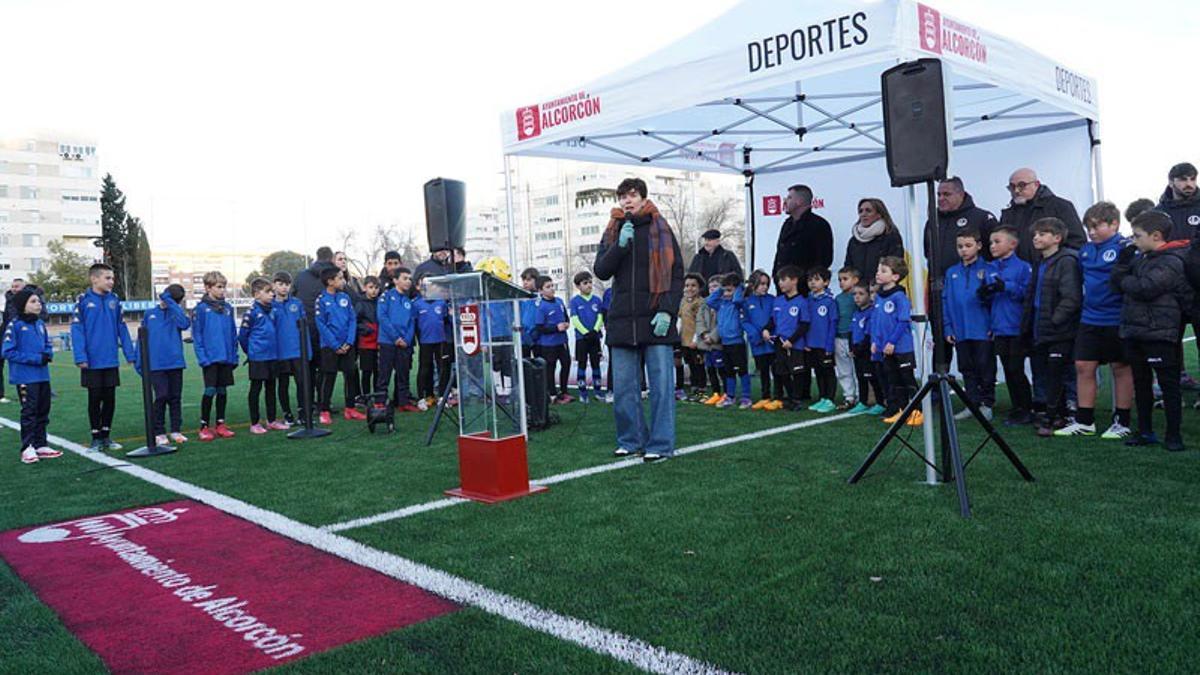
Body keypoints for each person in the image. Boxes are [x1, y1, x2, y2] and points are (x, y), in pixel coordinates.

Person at [593, 177, 685, 462]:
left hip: (656, 318)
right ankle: (631, 440)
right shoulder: (613, 231)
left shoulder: (662, 229)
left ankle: (660, 444)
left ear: (644, 197)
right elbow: (601, 271)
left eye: (632, 195)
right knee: (624, 388)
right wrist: (619, 246)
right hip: (622, 321)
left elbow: (677, 274)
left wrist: (667, 311)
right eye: (622, 196)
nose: (627, 201)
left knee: (660, 388)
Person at [1112, 211, 1193, 451]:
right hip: (1135, 331)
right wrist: (1123, 268)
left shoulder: (1172, 260)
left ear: (1156, 236)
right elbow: (1118, 285)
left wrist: (1122, 277)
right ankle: (1145, 431)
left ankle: (1173, 435)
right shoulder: (1141, 258)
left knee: (1169, 385)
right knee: (1141, 383)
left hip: (1159, 332)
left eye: (1137, 236)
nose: (1133, 241)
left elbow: (1145, 288)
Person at [1055, 203, 1134, 439]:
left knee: (1120, 367)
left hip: (1117, 317)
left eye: (1096, 226)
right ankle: (1085, 421)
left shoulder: (1125, 248)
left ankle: (1122, 421)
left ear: (1114, 224)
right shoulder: (1086, 251)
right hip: (1090, 318)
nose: (1091, 232)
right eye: (1088, 227)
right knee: (1083, 366)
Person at [1023, 218, 1082, 437]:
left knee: (1061, 372)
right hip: (1041, 326)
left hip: (1059, 328)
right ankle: (1054, 413)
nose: (1036, 238)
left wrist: (1056, 320)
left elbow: (1071, 297)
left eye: (1042, 234)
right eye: (1035, 234)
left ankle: (1066, 414)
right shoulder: (1040, 262)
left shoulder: (1067, 260)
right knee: (1048, 372)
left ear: (1057, 238)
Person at [71, 263, 136, 451]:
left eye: (113, 278)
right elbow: (77, 330)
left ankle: (107, 435)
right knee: (94, 397)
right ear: (94, 279)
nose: (111, 282)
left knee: (109, 398)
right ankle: (96, 437)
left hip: (110, 359)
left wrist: (129, 354)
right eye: (107, 278)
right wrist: (80, 356)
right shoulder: (83, 300)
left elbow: (121, 327)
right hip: (91, 360)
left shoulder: (114, 300)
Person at [979, 226, 1034, 425]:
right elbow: (990, 299)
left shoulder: (1023, 267)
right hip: (999, 326)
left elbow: (1027, 294)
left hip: (1016, 326)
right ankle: (1017, 406)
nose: (992, 246)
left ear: (1012, 244)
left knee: (1016, 368)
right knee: (1008, 370)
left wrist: (1007, 287)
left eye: (997, 242)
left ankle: (1027, 408)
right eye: (991, 242)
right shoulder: (990, 268)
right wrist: (985, 294)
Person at [941, 228, 996, 420]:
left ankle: (987, 403)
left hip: (982, 329)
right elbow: (946, 300)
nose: (963, 250)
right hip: (960, 329)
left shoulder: (989, 269)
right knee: (966, 367)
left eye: (968, 245)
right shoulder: (951, 272)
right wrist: (948, 326)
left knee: (985, 366)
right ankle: (971, 404)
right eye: (960, 246)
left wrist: (993, 325)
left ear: (979, 246)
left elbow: (995, 301)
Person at [2, 288, 61, 464]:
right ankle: (27, 447)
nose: (38, 304)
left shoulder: (40, 324)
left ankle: (41, 444)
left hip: (43, 376)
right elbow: (7, 351)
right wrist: (36, 359)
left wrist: (48, 353)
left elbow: (47, 344)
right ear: (23, 305)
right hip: (25, 377)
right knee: (29, 412)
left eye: (39, 301)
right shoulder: (15, 325)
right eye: (33, 301)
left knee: (43, 410)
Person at [135, 284, 191, 446]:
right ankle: (159, 431)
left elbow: (184, 324)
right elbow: (142, 338)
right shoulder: (150, 313)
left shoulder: (177, 313)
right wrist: (140, 362)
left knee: (175, 398)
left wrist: (173, 305)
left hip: (175, 362)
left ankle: (175, 430)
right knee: (161, 396)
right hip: (156, 364)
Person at [871, 257, 922, 426]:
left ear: (895, 276)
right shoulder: (879, 297)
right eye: (878, 270)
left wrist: (892, 342)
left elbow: (902, 321)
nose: (878, 273)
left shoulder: (899, 297)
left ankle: (917, 411)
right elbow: (876, 323)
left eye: (883, 271)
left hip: (901, 348)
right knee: (893, 380)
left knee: (907, 378)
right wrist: (875, 342)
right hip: (885, 349)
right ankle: (900, 409)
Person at [999, 168, 1086, 262]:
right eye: (1012, 187)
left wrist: (1059, 263)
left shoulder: (1060, 206)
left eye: (1022, 185)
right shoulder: (1008, 214)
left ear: (1036, 184)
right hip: (1018, 272)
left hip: (1053, 270)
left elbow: (1076, 241)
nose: (1016, 190)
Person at [192, 271, 238, 442]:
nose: (222, 290)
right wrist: (203, 357)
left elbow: (233, 333)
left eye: (224, 287)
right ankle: (204, 426)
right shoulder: (201, 309)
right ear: (208, 288)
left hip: (226, 357)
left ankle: (220, 424)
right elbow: (197, 335)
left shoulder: (228, 308)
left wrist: (234, 355)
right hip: (210, 358)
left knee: (222, 390)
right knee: (210, 390)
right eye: (219, 287)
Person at [924, 176, 999, 282]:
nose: (941, 198)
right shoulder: (933, 221)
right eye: (939, 194)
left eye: (946, 194)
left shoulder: (982, 218)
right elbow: (928, 253)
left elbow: (996, 253)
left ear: (961, 195)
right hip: (938, 286)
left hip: (973, 284)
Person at [316, 266, 364, 423]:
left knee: (350, 375)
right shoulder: (321, 300)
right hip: (330, 347)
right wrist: (335, 345)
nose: (343, 281)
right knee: (329, 377)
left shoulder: (345, 297)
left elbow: (352, 319)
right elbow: (321, 324)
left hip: (347, 345)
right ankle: (324, 410)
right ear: (330, 281)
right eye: (340, 278)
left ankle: (350, 408)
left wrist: (349, 342)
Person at [292, 247, 337, 411]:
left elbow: (293, 297)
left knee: (307, 369)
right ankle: (324, 403)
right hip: (326, 329)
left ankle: (307, 403)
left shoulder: (301, 276)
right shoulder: (332, 277)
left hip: (305, 328)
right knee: (326, 369)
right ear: (330, 258)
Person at [239, 278, 283, 434]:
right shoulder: (251, 312)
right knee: (256, 389)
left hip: (272, 356)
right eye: (268, 291)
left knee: (271, 388)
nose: (272, 294)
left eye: (272, 291)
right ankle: (255, 422)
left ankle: (271, 420)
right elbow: (243, 336)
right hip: (258, 358)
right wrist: (251, 352)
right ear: (257, 294)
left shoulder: (273, 310)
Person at [762, 265, 809, 411]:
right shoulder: (778, 301)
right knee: (781, 371)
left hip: (795, 344)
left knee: (797, 371)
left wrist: (792, 340)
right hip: (780, 343)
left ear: (794, 280)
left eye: (783, 280)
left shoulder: (802, 301)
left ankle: (796, 399)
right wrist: (766, 329)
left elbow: (804, 325)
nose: (780, 283)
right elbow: (773, 320)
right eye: (778, 280)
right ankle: (787, 397)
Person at [772, 184, 833, 293]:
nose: (785, 201)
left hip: (805, 291)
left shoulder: (819, 225)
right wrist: (776, 277)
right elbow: (780, 254)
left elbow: (824, 259)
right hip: (783, 288)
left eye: (790, 197)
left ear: (799, 201)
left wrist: (804, 281)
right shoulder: (787, 224)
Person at [843, 198, 904, 303]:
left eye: (868, 210)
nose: (863, 214)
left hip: (884, 295)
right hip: (859, 296)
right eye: (860, 211)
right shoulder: (854, 241)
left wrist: (878, 286)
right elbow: (848, 268)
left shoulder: (891, 236)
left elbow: (897, 266)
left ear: (879, 214)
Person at [707, 272, 751, 409]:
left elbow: (738, 300)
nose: (726, 293)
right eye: (724, 290)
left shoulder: (738, 304)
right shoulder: (721, 304)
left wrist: (738, 289)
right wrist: (721, 288)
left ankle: (746, 397)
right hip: (724, 343)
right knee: (728, 371)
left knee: (742, 370)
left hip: (737, 343)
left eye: (729, 290)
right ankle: (730, 396)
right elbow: (709, 301)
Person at [377, 266, 418, 412]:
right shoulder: (386, 297)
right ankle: (380, 402)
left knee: (403, 373)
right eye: (405, 278)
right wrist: (395, 337)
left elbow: (412, 322)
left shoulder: (408, 301)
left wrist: (406, 339)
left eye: (410, 279)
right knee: (384, 373)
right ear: (395, 280)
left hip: (404, 343)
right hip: (388, 342)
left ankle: (403, 402)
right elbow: (382, 318)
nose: (408, 282)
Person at [272, 272, 305, 425]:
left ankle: (302, 412)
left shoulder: (297, 303)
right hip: (280, 353)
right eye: (280, 284)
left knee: (301, 383)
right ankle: (287, 413)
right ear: (274, 286)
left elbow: (303, 327)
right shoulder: (270, 305)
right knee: (283, 384)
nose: (284, 287)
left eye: (287, 284)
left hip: (297, 351)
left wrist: (307, 351)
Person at [804, 268, 839, 413]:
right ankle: (823, 397)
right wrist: (806, 342)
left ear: (826, 282)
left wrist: (829, 345)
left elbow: (833, 324)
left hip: (825, 344)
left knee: (828, 371)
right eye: (810, 280)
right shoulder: (808, 300)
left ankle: (830, 399)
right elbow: (805, 323)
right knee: (818, 371)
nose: (813, 283)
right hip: (812, 345)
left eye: (817, 279)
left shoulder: (829, 302)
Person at [743, 270, 778, 409]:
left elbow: (774, 317)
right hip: (758, 343)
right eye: (761, 284)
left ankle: (779, 396)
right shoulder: (746, 302)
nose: (764, 287)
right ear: (753, 285)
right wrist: (757, 335)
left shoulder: (772, 299)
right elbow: (745, 321)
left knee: (777, 370)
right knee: (763, 370)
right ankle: (765, 396)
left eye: (766, 284)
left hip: (771, 341)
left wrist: (768, 331)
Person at [534, 276, 572, 403]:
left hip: (562, 341)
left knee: (566, 364)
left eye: (552, 285)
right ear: (540, 291)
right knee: (551, 368)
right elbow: (540, 327)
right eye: (548, 287)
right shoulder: (541, 306)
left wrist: (566, 323)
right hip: (549, 344)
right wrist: (556, 328)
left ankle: (564, 391)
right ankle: (552, 393)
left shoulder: (560, 301)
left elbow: (566, 317)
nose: (552, 289)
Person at [848, 284, 884, 415]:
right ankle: (863, 402)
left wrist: (860, 348)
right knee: (860, 377)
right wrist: (851, 348)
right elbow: (851, 332)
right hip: (857, 352)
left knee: (873, 377)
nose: (857, 297)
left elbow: (869, 334)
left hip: (867, 351)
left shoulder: (871, 312)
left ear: (869, 296)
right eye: (854, 294)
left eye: (861, 294)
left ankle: (880, 402)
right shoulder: (856, 313)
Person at [414, 283, 451, 408]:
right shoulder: (417, 303)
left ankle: (442, 397)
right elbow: (414, 324)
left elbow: (446, 321)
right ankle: (422, 398)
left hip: (440, 342)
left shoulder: (441, 303)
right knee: (425, 369)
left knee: (443, 368)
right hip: (425, 342)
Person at [570, 271, 604, 403]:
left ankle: (598, 391)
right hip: (582, 339)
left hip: (594, 338)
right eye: (585, 283)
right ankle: (583, 393)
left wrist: (595, 331)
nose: (589, 285)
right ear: (578, 286)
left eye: (590, 282)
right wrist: (585, 332)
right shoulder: (575, 301)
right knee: (582, 364)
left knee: (596, 364)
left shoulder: (597, 300)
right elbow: (575, 319)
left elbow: (600, 317)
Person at [833, 266, 861, 410]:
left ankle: (860, 396)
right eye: (839, 280)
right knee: (844, 369)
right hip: (839, 337)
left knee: (857, 368)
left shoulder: (858, 297)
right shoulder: (838, 298)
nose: (841, 282)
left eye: (845, 279)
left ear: (855, 280)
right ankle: (849, 396)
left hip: (854, 339)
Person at [677, 273, 707, 401]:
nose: (689, 288)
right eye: (687, 285)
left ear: (699, 288)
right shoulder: (683, 301)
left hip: (695, 341)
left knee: (698, 365)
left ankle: (701, 391)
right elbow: (680, 318)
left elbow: (701, 322)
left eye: (693, 286)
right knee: (688, 363)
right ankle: (690, 389)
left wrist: (696, 339)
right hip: (684, 340)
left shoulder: (701, 303)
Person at [0, 277, 29, 405]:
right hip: (7, 337)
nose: (13, 289)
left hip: (22, 338)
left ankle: (28, 394)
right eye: (12, 286)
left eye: (16, 286)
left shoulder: (31, 299)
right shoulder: (9, 300)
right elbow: (8, 320)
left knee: (23, 366)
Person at [696, 274, 724, 405]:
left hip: (717, 343)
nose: (712, 289)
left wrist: (712, 337)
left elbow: (722, 323)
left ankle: (726, 393)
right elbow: (699, 320)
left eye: (715, 286)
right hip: (706, 343)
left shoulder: (724, 302)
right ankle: (715, 392)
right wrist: (703, 334)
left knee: (721, 369)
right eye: (710, 287)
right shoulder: (705, 303)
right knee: (710, 369)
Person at [1155, 162, 1200, 241]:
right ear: (1171, 182)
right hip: (1168, 253)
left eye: (1193, 179)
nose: (1189, 184)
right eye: (1183, 179)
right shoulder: (1158, 213)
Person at [355, 276, 381, 396]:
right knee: (366, 371)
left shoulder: (380, 302)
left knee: (378, 371)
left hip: (379, 342)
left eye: (376, 288)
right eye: (371, 287)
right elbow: (355, 322)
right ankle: (365, 395)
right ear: (365, 288)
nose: (374, 290)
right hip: (366, 343)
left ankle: (376, 394)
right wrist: (366, 329)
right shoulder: (360, 303)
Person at [518, 267, 541, 360]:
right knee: (525, 367)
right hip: (524, 340)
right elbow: (518, 318)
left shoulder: (542, 298)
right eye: (523, 280)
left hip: (539, 340)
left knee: (541, 366)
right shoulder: (520, 298)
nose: (525, 282)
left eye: (528, 280)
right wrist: (525, 336)